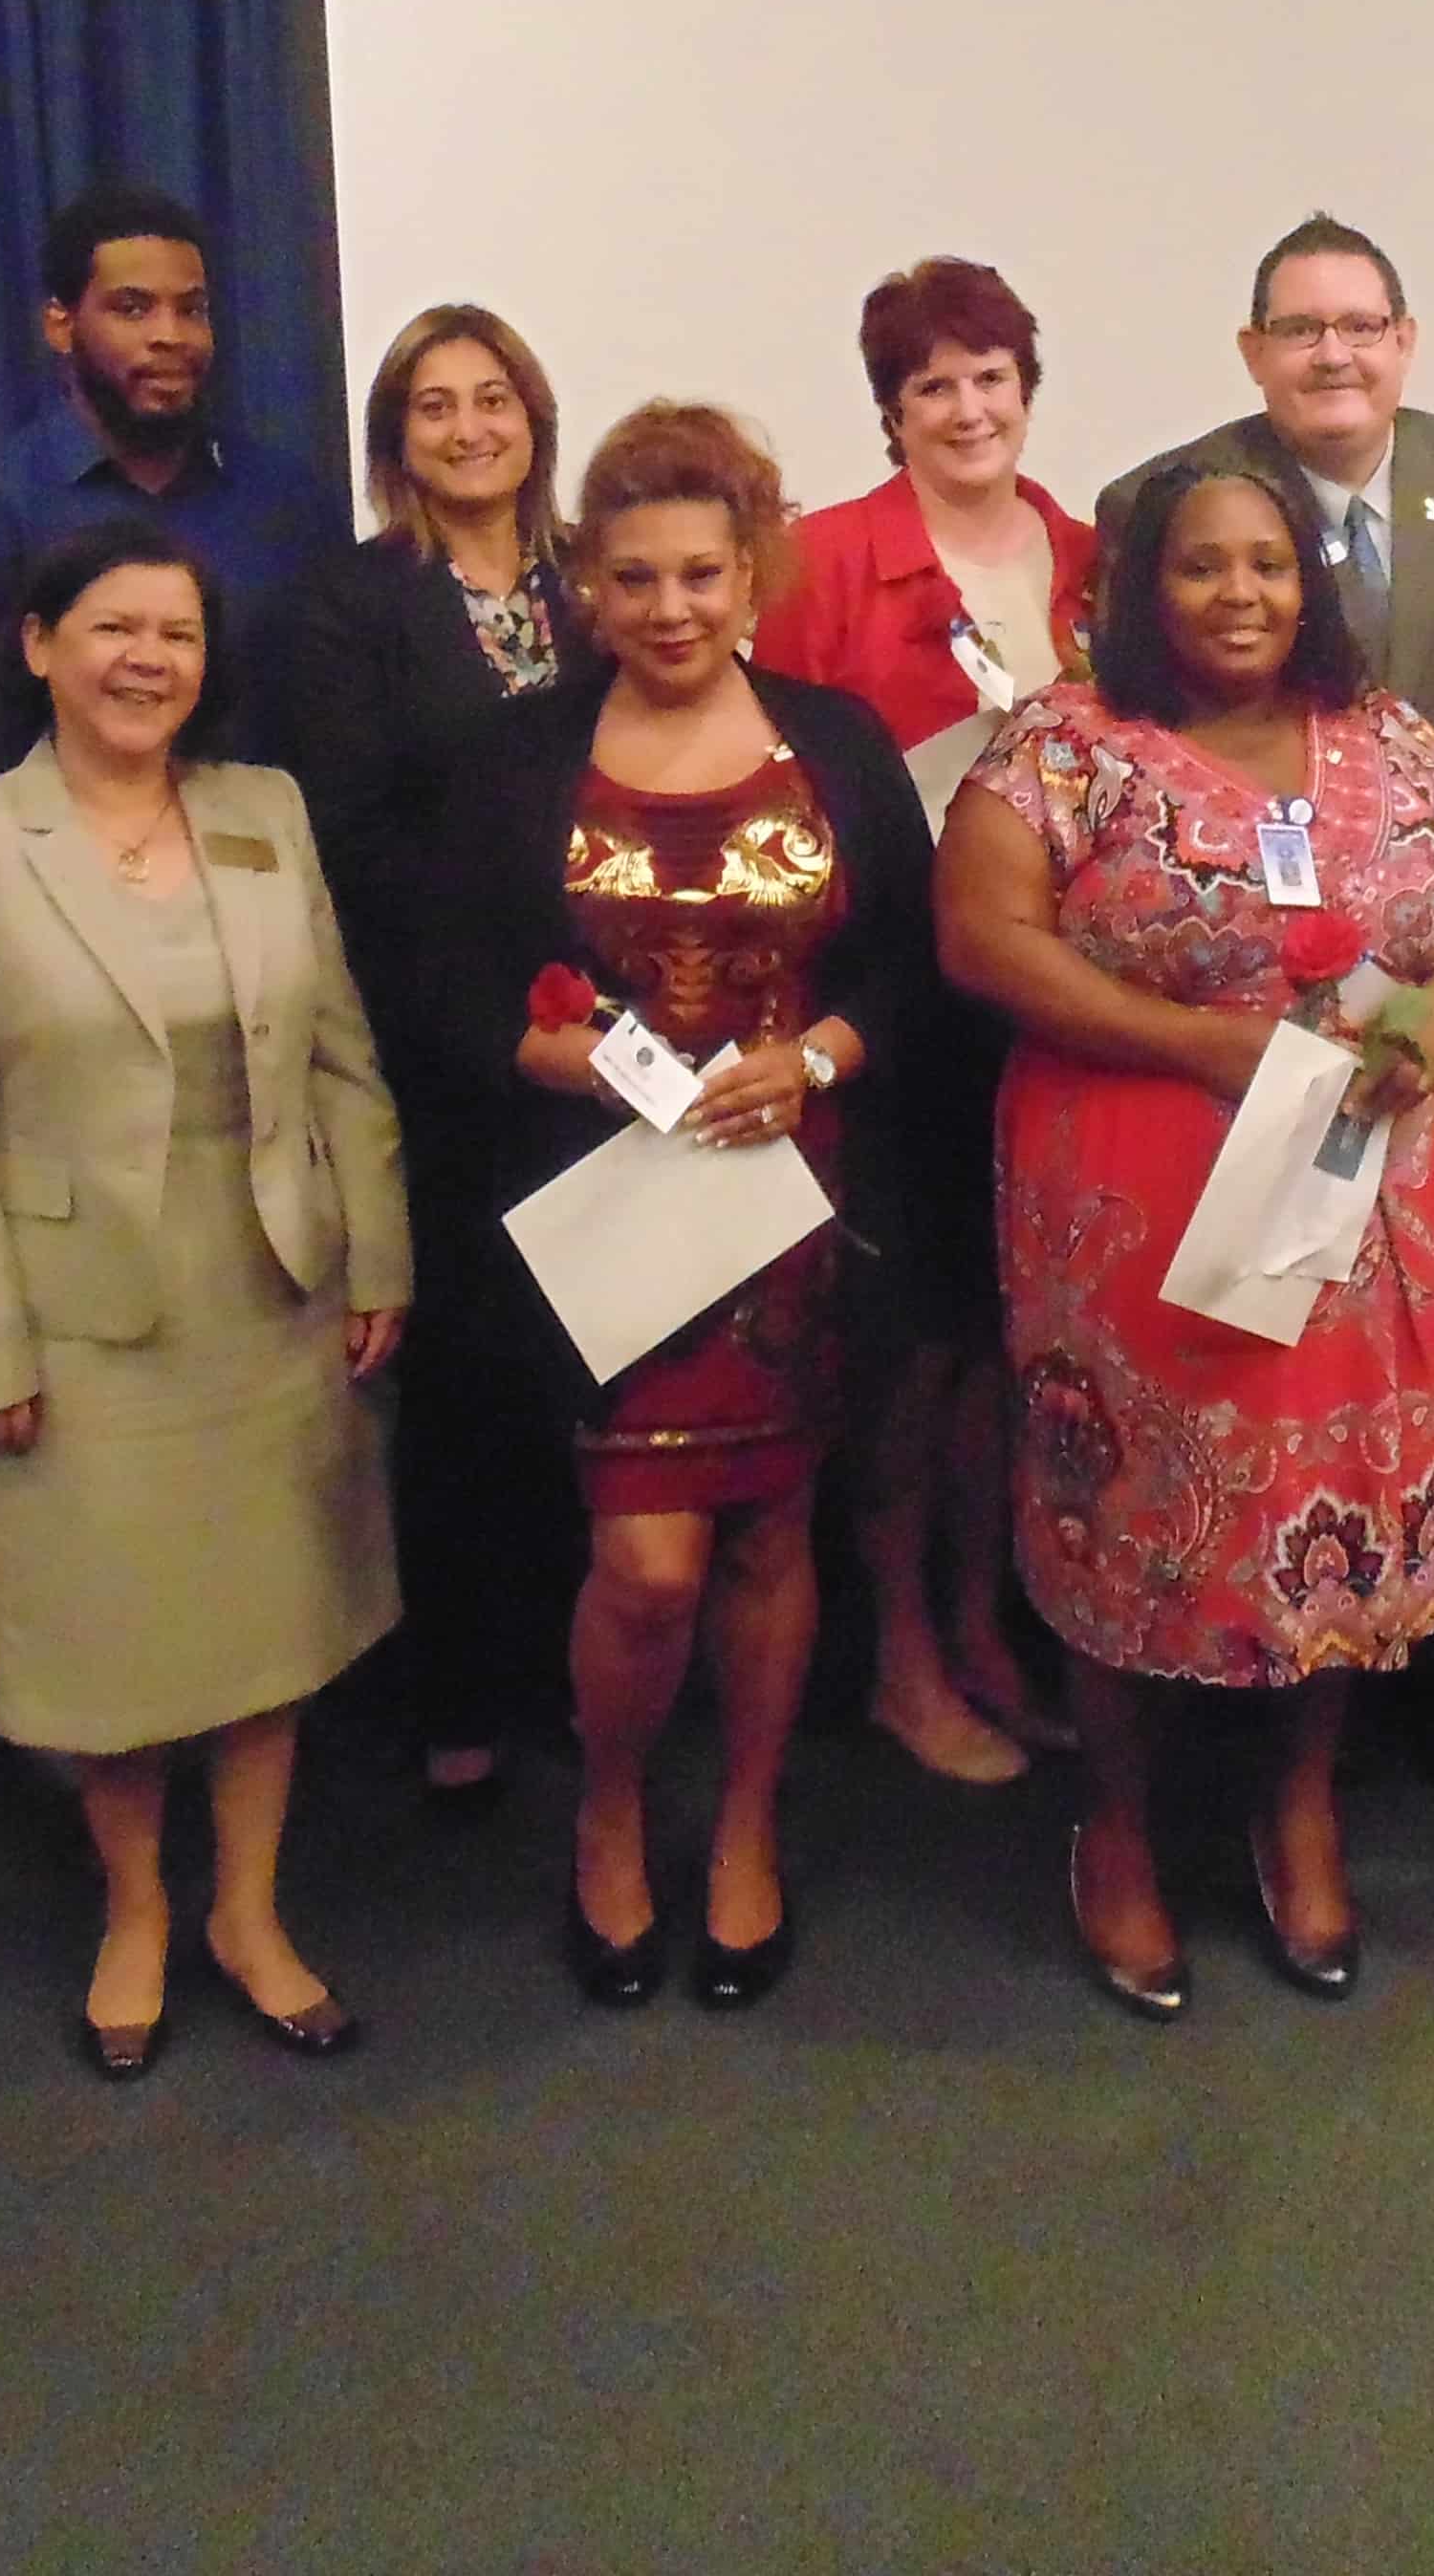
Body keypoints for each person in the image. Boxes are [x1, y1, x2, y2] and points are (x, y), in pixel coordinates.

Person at [936, 447, 1434, 2013]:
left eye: (1267, 562)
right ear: (1141, 583)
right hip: (1143, 1178)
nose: (1239, 592)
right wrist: (1203, 1044)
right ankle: (1118, 1826)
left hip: (1372, 1179)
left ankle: (1296, 1801)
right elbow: (978, 934)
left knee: (1327, 1500)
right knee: (1136, 1500)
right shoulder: (1063, 740)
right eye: (1201, 563)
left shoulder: (1389, 732)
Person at [0, 519, 415, 2080]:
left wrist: (375, 1249)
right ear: (37, 643)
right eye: (112, 627)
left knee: (270, 1611)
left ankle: (246, 1909)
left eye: (175, 633)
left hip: (272, 1278)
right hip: (71, 1308)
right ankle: (134, 1910)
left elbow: (338, 1051)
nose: (145, 660)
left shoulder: (264, 811)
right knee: (110, 1636)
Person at [412, 404, 940, 2010]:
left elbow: (912, 963)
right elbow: (433, 984)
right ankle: (611, 1811)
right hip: (606, 1210)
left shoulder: (838, 740)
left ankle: (747, 1829)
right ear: (585, 583)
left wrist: (823, 1054)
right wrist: (555, 1055)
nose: (668, 607)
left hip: (789, 1199)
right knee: (644, 1561)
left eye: (700, 572)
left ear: (752, 568)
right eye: (631, 576)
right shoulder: (516, 756)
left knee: (774, 1530)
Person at [750, 258, 1100, 1787]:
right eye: (932, 386)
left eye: (991, 376)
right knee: (913, 1353)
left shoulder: (1095, 554)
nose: (969, 409)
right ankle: (900, 1655)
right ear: (890, 415)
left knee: (1018, 1345)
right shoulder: (820, 561)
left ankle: (985, 1628)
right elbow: (771, 781)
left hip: (1065, 1002)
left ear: (1029, 386)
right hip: (897, 1005)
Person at [264, 304, 584, 1809]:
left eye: (493, 398)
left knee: (603, 1364)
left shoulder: (606, 579)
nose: (469, 429)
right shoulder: (351, 607)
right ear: (395, 441)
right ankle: (463, 1683)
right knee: (467, 1382)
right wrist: (489, 1001)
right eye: (433, 408)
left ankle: (588, 1676)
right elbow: (356, 837)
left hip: (619, 1037)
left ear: (534, 415)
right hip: (448, 1040)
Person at [1099, 212, 1434, 744]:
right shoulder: (1163, 504)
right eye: (1300, 330)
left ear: (1404, 340)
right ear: (1253, 353)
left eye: (1360, 327)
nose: (1333, 356)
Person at [0, 187, 348, 758]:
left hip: (263, 835)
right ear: (60, 325)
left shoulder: (289, 504)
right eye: (132, 309)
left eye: (192, 309)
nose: (170, 335)